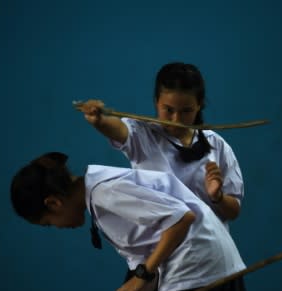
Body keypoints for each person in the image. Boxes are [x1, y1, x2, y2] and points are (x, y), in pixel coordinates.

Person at [10, 152, 259, 291]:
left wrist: (141, 275)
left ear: (53, 203)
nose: (56, 228)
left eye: (48, 223)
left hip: (200, 265)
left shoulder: (105, 191)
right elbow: (152, 252)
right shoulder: (97, 198)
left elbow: (182, 219)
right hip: (196, 265)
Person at [76, 62, 244, 228]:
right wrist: (99, 120)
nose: (176, 120)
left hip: (211, 249)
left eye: (186, 111)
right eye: (168, 110)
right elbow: (116, 129)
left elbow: (233, 211)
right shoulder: (141, 134)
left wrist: (217, 196)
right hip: (163, 247)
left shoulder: (218, 146)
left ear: (199, 105)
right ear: (156, 102)